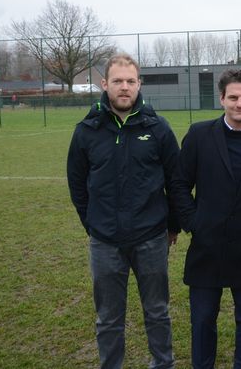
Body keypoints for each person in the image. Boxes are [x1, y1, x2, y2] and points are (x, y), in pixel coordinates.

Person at [67, 53, 179, 369]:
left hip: (151, 238)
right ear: (105, 84)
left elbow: (176, 179)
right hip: (105, 241)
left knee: (157, 311)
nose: (124, 87)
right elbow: (77, 184)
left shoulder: (158, 128)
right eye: (118, 81)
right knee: (108, 317)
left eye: (131, 81)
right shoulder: (87, 130)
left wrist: (172, 225)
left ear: (139, 84)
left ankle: (163, 364)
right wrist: (92, 224)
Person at [170, 69, 241, 369]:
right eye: (233, 97)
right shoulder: (199, 134)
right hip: (206, 247)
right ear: (221, 98)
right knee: (203, 320)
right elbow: (180, 183)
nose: (240, 103)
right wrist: (193, 221)